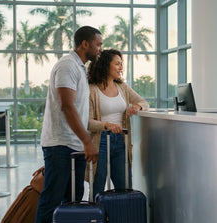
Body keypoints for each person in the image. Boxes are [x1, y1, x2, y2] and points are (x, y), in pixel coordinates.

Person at [35, 26, 102, 223]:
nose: (100, 49)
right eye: (98, 45)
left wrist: (83, 142)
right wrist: (87, 141)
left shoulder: (80, 67)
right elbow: (67, 106)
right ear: (85, 44)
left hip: (74, 145)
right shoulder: (67, 66)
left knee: (73, 199)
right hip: (61, 145)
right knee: (52, 200)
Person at [87, 49, 149, 197]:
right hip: (100, 142)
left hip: (121, 142)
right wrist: (106, 125)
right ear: (105, 65)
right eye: (117, 64)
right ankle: (97, 219)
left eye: (121, 64)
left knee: (125, 187)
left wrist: (137, 106)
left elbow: (143, 102)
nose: (121, 67)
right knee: (97, 188)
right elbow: (87, 122)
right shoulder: (91, 90)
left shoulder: (122, 87)